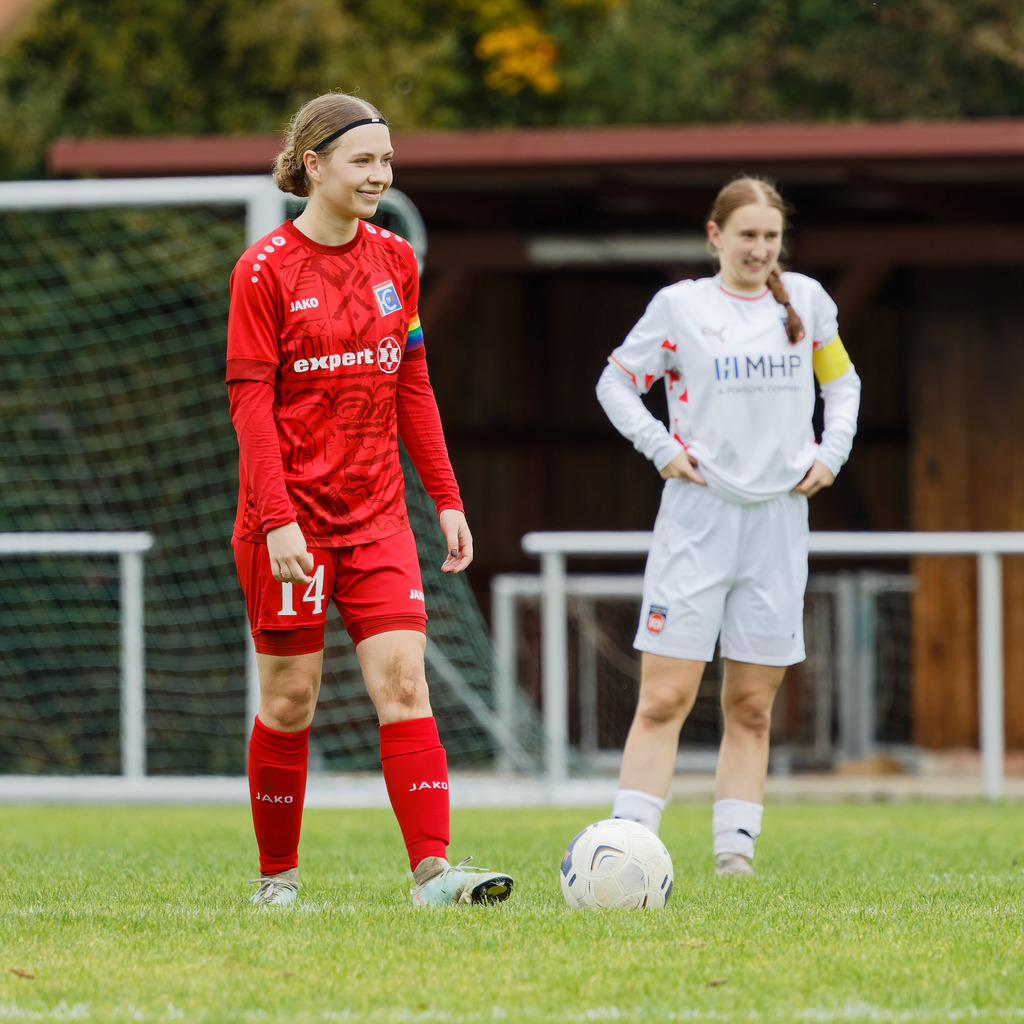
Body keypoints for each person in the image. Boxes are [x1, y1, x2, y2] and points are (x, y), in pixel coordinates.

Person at [226, 92, 513, 907]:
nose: (380, 175)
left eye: (387, 160)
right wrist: (277, 518)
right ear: (312, 165)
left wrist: (446, 499)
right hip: (289, 523)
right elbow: (250, 405)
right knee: (291, 700)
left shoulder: (395, 261)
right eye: (364, 160)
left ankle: (432, 873)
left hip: (379, 516)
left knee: (404, 685)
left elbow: (412, 386)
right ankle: (275, 882)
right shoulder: (264, 270)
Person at [596, 175, 861, 876]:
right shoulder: (679, 307)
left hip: (779, 524)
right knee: (665, 697)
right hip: (697, 521)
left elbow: (843, 384)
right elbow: (616, 382)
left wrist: (831, 454)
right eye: (747, 235)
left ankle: (734, 857)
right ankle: (626, 854)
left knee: (750, 705)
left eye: (771, 237)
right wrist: (663, 448)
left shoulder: (806, 300)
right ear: (715, 236)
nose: (760, 249)